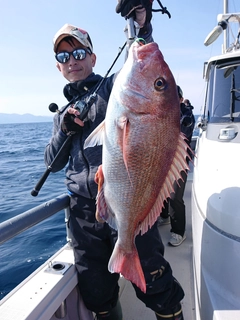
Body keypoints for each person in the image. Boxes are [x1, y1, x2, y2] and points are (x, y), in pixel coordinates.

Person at [44, 2, 185, 319]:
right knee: (97, 293)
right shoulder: (62, 116)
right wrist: (63, 131)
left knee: (156, 284)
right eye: (64, 57)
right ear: (58, 67)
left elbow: (145, 70)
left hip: (130, 201)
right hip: (83, 214)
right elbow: (51, 164)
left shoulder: (114, 89)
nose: (72, 61)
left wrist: (142, 24)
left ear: (93, 58)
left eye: (79, 53)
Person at [158, 86, 195, 247]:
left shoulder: (186, 115)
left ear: (180, 99)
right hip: (163, 161)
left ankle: (179, 232)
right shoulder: (163, 112)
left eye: (175, 97)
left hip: (179, 163)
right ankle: (164, 216)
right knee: (162, 192)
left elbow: (182, 131)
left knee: (175, 197)